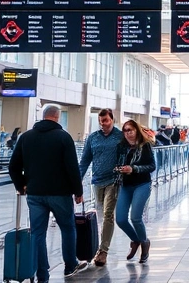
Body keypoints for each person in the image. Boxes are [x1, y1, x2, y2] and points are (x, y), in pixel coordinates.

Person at [8, 104, 88, 281]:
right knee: (67, 228)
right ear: (57, 117)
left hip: (35, 194)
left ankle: (42, 274)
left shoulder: (25, 137)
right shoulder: (63, 137)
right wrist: (78, 191)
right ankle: (70, 265)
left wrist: (21, 186)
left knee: (38, 233)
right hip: (60, 193)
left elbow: (13, 166)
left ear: (43, 116)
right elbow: (72, 168)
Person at [78, 108, 123, 267]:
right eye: (101, 121)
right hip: (97, 181)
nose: (103, 124)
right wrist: (77, 183)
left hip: (114, 181)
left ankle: (103, 251)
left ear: (112, 120)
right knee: (100, 215)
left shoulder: (119, 136)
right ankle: (97, 247)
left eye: (106, 121)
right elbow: (84, 161)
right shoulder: (93, 138)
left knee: (108, 213)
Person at [114, 119, 156, 264]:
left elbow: (152, 166)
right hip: (126, 185)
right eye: (125, 131)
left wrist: (134, 169)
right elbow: (117, 162)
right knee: (120, 219)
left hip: (142, 184)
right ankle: (136, 239)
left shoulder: (145, 146)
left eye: (130, 130)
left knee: (135, 217)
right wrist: (119, 169)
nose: (128, 134)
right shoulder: (122, 146)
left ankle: (144, 242)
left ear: (136, 130)